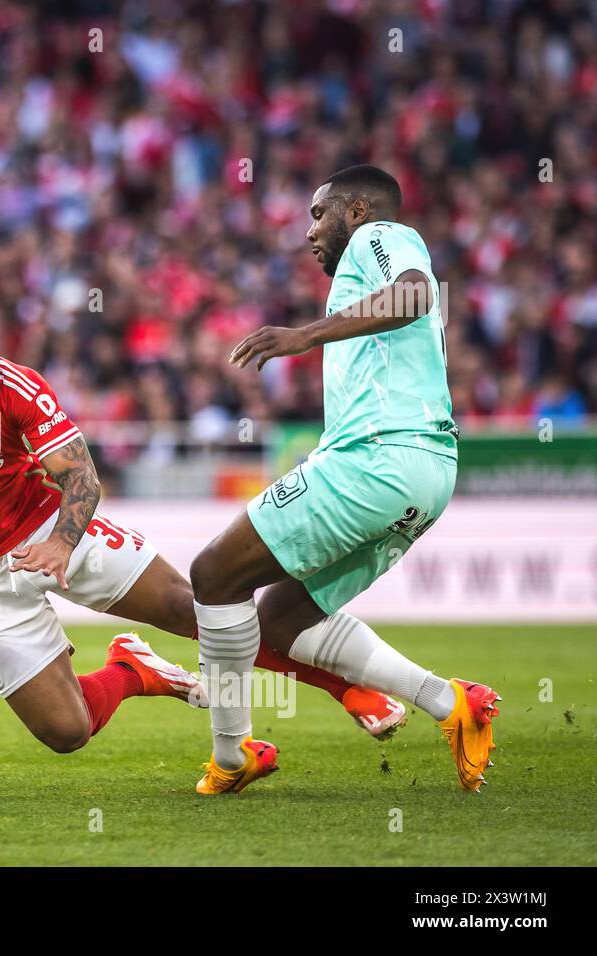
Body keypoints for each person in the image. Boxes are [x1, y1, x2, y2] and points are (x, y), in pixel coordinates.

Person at [0, 281, 405, 754]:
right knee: (66, 732)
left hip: (46, 526)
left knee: (192, 608)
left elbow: (81, 476)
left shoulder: (11, 387)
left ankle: (346, 689)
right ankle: (132, 671)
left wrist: (59, 542)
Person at [190, 164, 499, 795]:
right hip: (426, 476)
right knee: (283, 620)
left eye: (317, 213)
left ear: (355, 211)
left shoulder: (379, 236)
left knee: (213, 575)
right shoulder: (362, 270)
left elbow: (414, 291)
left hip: (376, 459)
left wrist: (305, 336)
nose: (309, 231)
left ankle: (232, 753)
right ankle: (451, 704)